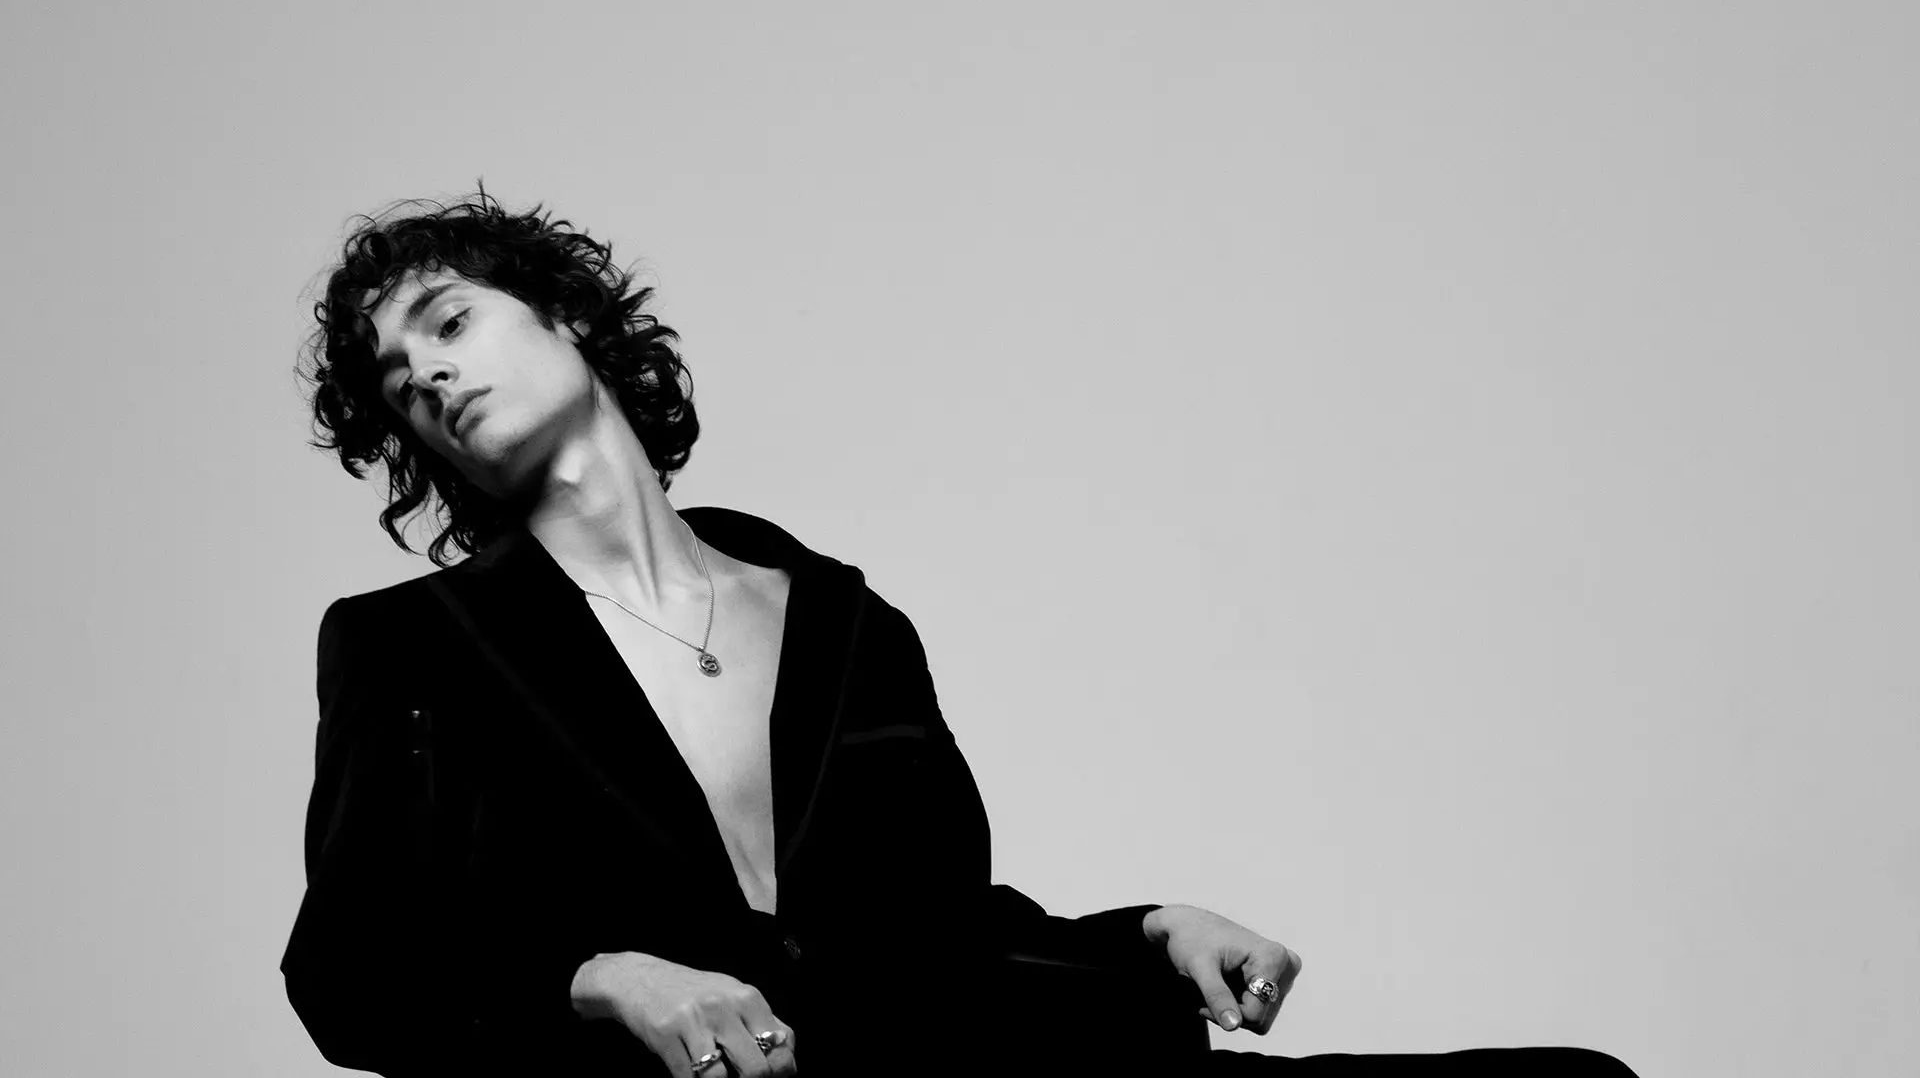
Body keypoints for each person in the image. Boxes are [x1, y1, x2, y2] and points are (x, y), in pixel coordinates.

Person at [283, 186, 1639, 1078]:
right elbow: (350, 979)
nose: (431, 375)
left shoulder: (843, 622)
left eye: (450, 323)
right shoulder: (412, 649)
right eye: (400, 382)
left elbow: (928, 933)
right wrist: (603, 979)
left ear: (568, 317)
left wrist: (1149, 933)